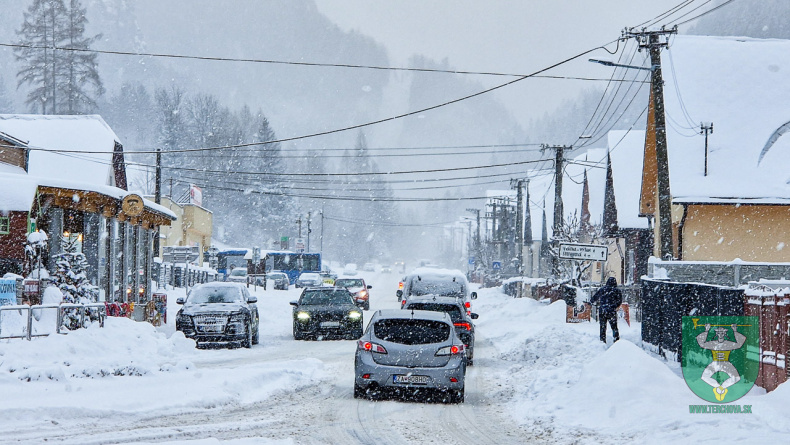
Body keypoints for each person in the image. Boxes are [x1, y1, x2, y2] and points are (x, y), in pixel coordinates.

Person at [590, 277, 623, 343]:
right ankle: (616, 340)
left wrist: (591, 302)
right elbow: (619, 301)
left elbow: (595, 297)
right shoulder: (617, 291)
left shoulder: (602, 289)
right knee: (614, 327)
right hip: (611, 311)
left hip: (602, 310)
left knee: (602, 326)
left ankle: (602, 340)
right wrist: (614, 306)